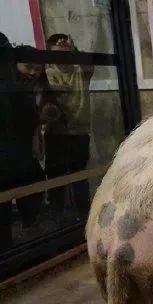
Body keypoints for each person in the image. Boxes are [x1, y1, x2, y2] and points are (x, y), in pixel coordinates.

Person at [0, 41, 57, 250]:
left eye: (37, 68)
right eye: (28, 67)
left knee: (33, 194)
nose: (33, 72)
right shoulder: (10, 89)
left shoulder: (34, 86)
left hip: (26, 155)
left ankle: (30, 241)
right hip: (9, 157)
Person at [44, 33, 94, 220]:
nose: (63, 58)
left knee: (79, 179)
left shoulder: (79, 71)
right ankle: (57, 219)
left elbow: (89, 65)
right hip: (56, 133)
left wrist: (75, 49)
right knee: (56, 179)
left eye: (66, 53)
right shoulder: (47, 74)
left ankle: (84, 219)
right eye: (57, 53)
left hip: (78, 133)